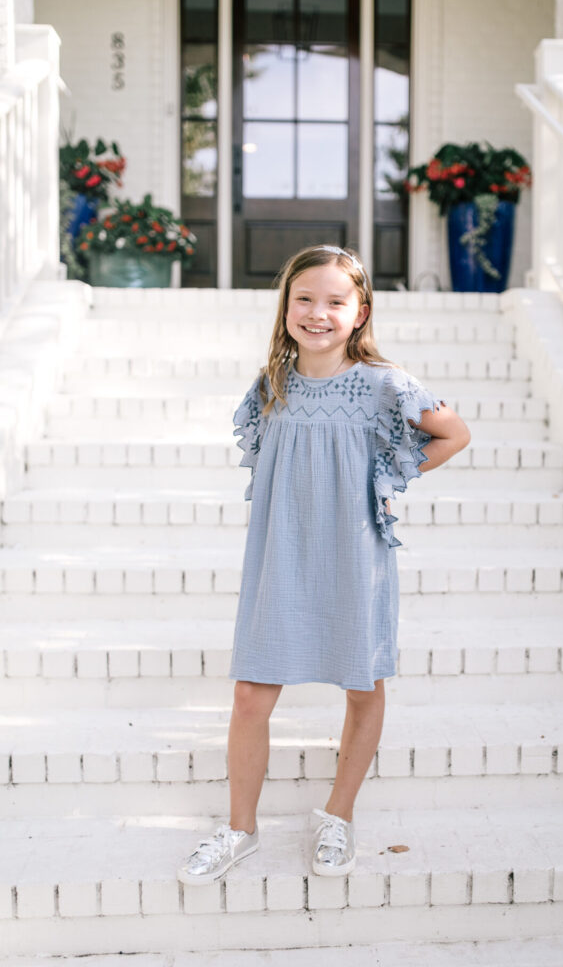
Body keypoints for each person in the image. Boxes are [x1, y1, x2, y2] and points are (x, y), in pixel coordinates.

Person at [178, 244, 471, 886]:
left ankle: (338, 816)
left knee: (363, 686)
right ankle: (240, 828)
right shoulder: (272, 386)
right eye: (304, 299)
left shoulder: (384, 385)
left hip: (355, 555)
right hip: (281, 558)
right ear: (285, 307)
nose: (317, 313)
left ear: (360, 312)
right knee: (251, 694)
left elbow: (454, 434)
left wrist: (387, 477)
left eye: (335, 301)